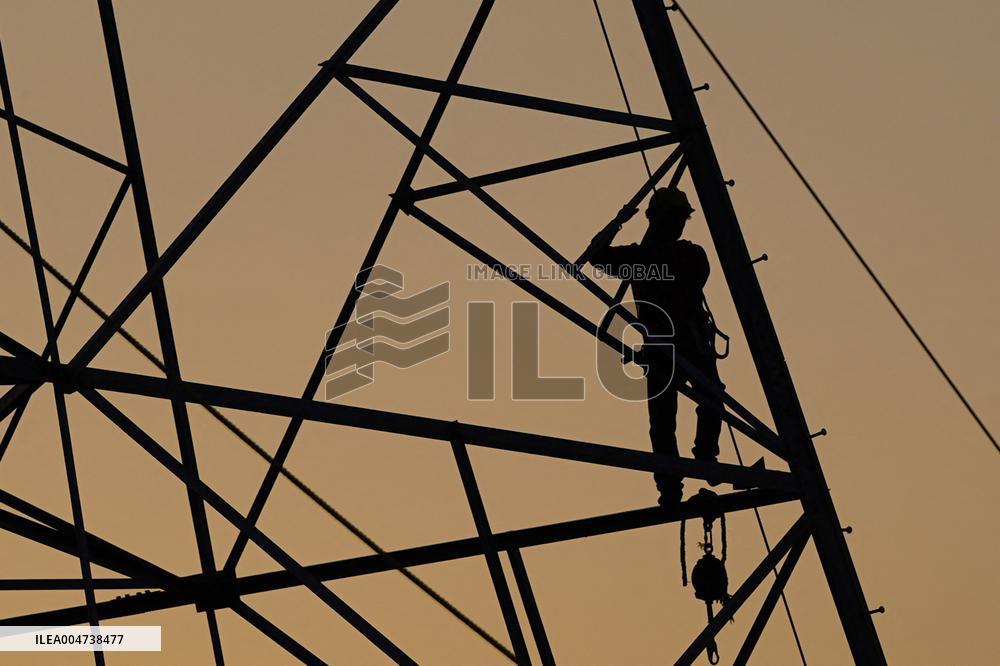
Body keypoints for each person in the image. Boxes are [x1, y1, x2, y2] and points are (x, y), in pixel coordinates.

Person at [587, 187, 723, 508]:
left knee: (710, 395)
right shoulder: (643, 258)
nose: (677, 225)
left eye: (680, 219)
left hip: (688, 341)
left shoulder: (685, 255)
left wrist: (634, 243)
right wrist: (620, 222)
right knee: (664, 418)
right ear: (657, 219)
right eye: (672, 218)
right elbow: (597, 256)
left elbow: (681, 271)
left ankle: (703, 454)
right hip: (665, 345)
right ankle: (671, 482)